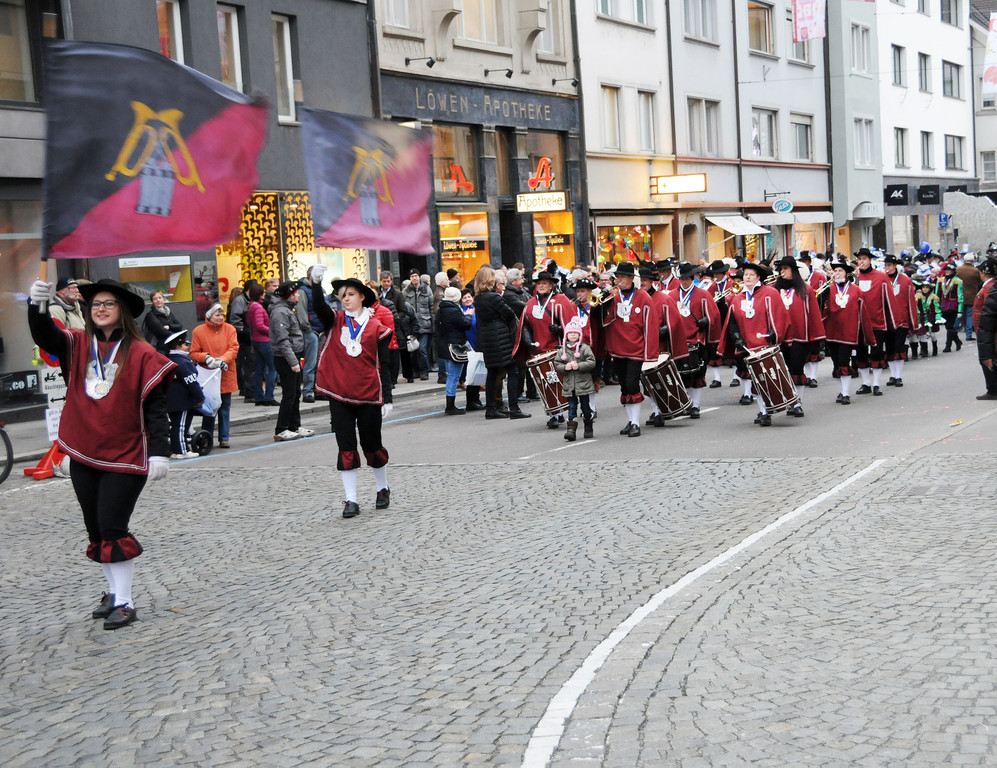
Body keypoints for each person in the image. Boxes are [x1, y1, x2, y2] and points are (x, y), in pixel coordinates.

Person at [27, 277, 175, 630]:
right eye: (95, 305)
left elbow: (156, 408)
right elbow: (45, 335)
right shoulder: (78, 344)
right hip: (84, 451)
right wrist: (36, 306)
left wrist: (160, 452)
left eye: (108, 304)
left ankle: (125, 601)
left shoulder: (142, 354)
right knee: (96, 530)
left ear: (121, 311)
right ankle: (112, 592)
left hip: (125, 455)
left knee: (112, 526)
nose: (101, 309)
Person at [309, 266, 394, 518]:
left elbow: (385, 364)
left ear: (362, 297)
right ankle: (351, 500)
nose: (345, 298)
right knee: (346, 446)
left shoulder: (377, 327)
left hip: (368, 394)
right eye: (342, 295)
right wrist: (314, 283)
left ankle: (382, 488)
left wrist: (387, 397)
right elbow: (319, 306)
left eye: (351, 294)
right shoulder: (334, 320)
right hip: (339, 394)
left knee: (371, 444)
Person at [717, 261, 788, 426]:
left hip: (765, 344)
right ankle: (763, 411)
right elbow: (732, 321)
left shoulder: (770, 293)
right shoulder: (738, 297)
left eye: (751, 275)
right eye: (746, 275)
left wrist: (774, 334)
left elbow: (779, 315)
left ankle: (772, 407)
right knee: (756, 380)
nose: (747, 277)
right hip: (747, 346)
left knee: (767, 379)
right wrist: (737, 338)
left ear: (758, 278)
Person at [597, 261, 659, 437]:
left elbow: (650, 325)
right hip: (617, 349)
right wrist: (603, 302)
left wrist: (650, 353)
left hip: (636, 349)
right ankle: (630, 420)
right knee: (624, 386)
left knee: (632, 384)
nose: (620, 280)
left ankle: (635, 423)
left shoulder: (643, 297)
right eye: (618, 277)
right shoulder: (612, 296)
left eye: (624, 277)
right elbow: (602, 321)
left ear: (632, 278)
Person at [513, 267, 577, 429]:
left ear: (551, 285)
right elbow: (524, 325)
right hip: (538, 349)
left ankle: (567, 411)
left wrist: (561, 331)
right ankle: (554, 414)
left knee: (560, 381)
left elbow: (572, 326)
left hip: (557, 349)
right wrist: (527, 340)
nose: (541, 286)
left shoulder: (561, 300)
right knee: (545, 383)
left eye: (545, 283)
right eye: (539, 283)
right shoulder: (530, 303)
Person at [474, 265, 531, 421]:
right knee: (512, 370)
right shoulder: (493, 297)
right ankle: (514, 408)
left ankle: (491, 408)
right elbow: (509, 313)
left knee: (492, 373)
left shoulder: (478, 298)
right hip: (500, 337)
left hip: (488, 338)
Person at [669, 262, 721, 419]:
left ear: (692, 278)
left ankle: (696, 405)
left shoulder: (703, 294)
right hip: (679, 341)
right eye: (682, 279)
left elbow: (715, 315)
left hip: (698, 340)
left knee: (698, 374)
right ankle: (687, 402)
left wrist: (707, 320)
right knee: (682, 375)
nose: (684, 282)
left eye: (687, 279)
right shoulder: (671, 296)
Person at [773, 256, 824, 416]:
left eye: (785, 269)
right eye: (781, 269)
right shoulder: (774, 291)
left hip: (800, 337)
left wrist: (816, 338)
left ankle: (797, 402)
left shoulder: (805, 289)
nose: (782, 272)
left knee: (797, 369)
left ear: (793, 271)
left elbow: (814, 314)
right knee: (784, 371)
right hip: (780, 338)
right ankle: (789, 400)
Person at [822, 260, 874, 406]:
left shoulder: (856, 290)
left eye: (840, 271)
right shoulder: (829, 289)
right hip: (832, 332)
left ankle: (846, 393)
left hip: (848, 333)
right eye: (835, 271)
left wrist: (866, 334)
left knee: (844, 362)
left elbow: (863, 312)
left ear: (846, 274)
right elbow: (822, 310)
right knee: (836, 364)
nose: (836, 273)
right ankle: (841, 390)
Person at [190, 302, 238, 448]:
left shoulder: (230, 329)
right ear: (209, 316)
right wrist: (207, 358)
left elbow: (234, 348)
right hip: (208, 375)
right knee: (209, 409)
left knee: (225, 406)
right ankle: (206, 437)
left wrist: (223, 359)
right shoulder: (198, 331)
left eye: (221, 314)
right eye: (217, 314)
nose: (220, 317)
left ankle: (224, 437)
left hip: (225, 372)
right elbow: (193, 353)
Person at [269, 281, 308, 442]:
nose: (298, 295)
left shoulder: (287, 309)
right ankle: (281, 428)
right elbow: (283, 340)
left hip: (294, 355)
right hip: (286, 358)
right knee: (289, 394)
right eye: (296, 293)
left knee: (296, 393)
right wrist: (293, 362)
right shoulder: (280, 312)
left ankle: (294, 426)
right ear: (290, 295)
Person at [853, 248, 891, 396]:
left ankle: (876, 383)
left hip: (877, 321)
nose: (861, 261)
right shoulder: (854, 277)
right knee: (861, 353)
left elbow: (889, 300)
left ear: (870, 260)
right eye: (859, 259)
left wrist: (892, 321)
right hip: (859, 322)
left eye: (864, 258)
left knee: (876, 353)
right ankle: (866, 383)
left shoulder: (881, 277)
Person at [553, 317, 596, 441]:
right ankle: (571, 430)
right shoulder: (562, 350)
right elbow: (557, 364)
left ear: (579, 335)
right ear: (566, 335)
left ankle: (588, 424)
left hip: (583, 384)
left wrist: (580, 366)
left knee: (585, 407)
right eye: (570, 333)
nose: (572, 335)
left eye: (575, 333)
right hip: (569, 384)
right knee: (571, 407)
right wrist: (565, 367)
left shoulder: (584, 348)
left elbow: (592, 362)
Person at [164, 330, 205, 459]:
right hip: (183, 400)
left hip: (170, 399)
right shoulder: (183, 362)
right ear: (178, 346)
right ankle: (182, 450)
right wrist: (200, 398)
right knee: (182, 425)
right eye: (185, 345)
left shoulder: (167, 360)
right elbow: (191, 382)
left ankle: (176, 450)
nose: (188, 347)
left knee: (176, 425)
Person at [882, 254, 917, 387]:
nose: (887, 268)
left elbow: (911, 300)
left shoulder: (905, 280)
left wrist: (912, 319)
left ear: (895, 266)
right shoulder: (883, 279)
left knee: (899, 347)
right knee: (890, 348)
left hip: (901, 319)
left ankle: (899, 376)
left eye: (889, 265)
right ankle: (892, 375)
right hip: (887, 319)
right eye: (886, 265)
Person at [437, 286, 472, 415]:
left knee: (452, 374)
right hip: (456, 344)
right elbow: (464, 324)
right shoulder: (453, 310)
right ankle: (450, 405)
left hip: (446, 343)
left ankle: (450, 404)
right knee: (454, 375)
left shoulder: (442, 309)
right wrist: (468, 316)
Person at [227, 280, 258, 401]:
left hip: (252, 337)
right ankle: (248, 390)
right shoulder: (239, 301)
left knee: (252, 364)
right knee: (248, 365)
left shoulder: (252, 301)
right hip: (244, 338)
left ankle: (250, 389)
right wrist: (245, 331)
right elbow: (235, 320)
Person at [247, 282, 277, 407]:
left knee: (259, 369)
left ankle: (259, 397)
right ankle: (269, 396)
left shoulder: (251, 306)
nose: (264, 294)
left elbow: (250, 322)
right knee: (272, 368)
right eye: (262, 292)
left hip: (256, 340)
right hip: (264, 340)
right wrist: (271, 331)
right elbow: (260, 325)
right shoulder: (258, 307)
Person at [295, 267, 322, 403]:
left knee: (319, 362)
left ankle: (317, 389)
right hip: (311, 331)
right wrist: (307, 328)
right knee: (310, 363)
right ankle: (307, 391)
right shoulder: (303, 290)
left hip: (320, 329)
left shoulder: (318, 289)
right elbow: (301, 312)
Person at [402, 269, 434, 380]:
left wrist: (433, 323)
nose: (414, 278)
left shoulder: (427, 289)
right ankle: (415, 370)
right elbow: (403, 308)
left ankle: (424, 371)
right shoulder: (406, 291)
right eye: (412, 276)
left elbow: (431, 307)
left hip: (425, 323)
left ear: (419, 277)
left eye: (416, 275)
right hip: (411, 325)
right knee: (413, 350)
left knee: (422, 349)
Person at [974, 257, 997, 400]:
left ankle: (993, 390)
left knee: (989, 360)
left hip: (987, 332)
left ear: (984, 273)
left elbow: (987, 319)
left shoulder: (988, 289)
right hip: (987, 331)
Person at [459, 288, 484, 411]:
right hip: (469, 346)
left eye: (469, 297)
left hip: (479, 343)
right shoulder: (462, 312)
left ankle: (476, 398)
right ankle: (471, 401)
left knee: (479, 372)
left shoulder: (477, 310)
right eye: (465, 298)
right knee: (471, 373)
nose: (467, 299)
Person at [141, 289, 183, 354]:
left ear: (163, 299)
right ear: (152, 302)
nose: (158, 300)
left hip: (172, 347)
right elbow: (161, 331)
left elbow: (180, 326)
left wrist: (169, 327)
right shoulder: (150, 315)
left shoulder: (168, 313)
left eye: (160, 298)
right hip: (160, 348)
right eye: (155, 299)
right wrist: (175, 334)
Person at [935, 261, 964, 353]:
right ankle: (958, 341)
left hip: (953, 306)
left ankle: (948, 346)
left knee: (950, 327)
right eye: (946, 270)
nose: (947, 272)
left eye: (949, 270)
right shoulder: (941, 280)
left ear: (953, 271)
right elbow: (937, 294)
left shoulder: (958, 281)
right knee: (948, 327)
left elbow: (960, 296)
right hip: (943, 306)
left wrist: (960, 310)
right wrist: (936, 306)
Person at [913, 279, 942, 358]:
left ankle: (935, 348)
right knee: (923, 334)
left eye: (926, 288)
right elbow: (916, 307)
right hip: (922, 317)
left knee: (932, 334)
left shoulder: (933, 297)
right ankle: (924, 350)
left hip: (931, 317)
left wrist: (938, 317)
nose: (925, 289)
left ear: (930, 289)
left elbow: (937, 309)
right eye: (923, 287)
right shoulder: (918, 297)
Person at [957, 253, 981, 341]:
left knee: (959, 314)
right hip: (971, 295)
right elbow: (980, 280)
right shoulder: (975, 271)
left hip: (960, 294)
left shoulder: (958, 269)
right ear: (973, 260)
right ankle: (969, 334)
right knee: (970, 315)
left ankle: (954, 331)